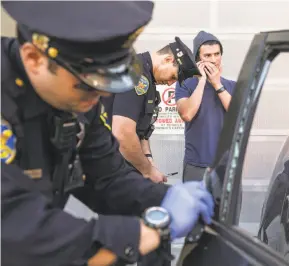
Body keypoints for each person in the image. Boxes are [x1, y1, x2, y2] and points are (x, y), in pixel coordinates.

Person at [1, 2, 214, 266]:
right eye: (90, 85)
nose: (101, 95)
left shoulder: (77, 100)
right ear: (34, 59)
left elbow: (107, 176)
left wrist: (160, 198)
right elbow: (12, 225)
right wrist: (134, 237)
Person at [102, 38, 200, 183]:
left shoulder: (147, 78)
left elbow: (141, 133)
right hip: (108, 168)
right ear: (168, 59)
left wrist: (148, 160)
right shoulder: (137, 74)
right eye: (173, 77)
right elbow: (123, 133)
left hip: (120, 168)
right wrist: (147, 171)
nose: (169, 83)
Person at [175, 31, 236, 182]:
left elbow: (239, 115)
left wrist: (217, 84)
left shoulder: (232, 86)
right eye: (207, 56)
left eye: (217, 54)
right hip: (196, 164)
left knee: (225, 206)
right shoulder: (185, 84)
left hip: (226, 165)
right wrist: (202, 81)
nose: (214, 60)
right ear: (198, 59)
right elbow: (187, 114)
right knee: (195, 206)